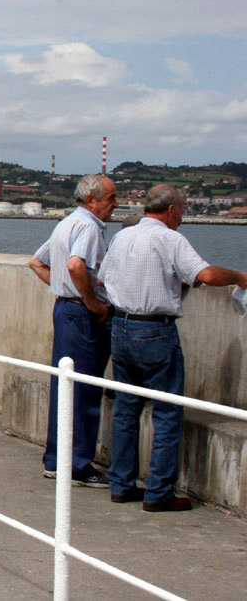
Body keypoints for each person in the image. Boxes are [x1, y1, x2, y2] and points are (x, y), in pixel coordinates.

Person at [98, 184, 247, 512]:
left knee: (126, 409)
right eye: (181, 211)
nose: (181, 217)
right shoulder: (170, 238)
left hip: (121, 327)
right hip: (155, 331)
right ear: (171, 210)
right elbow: (205, 274)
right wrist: (240, 276)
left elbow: (101, 279)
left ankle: (121, 484)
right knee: (166, 412)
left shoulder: (123, 236)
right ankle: (158, 493)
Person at [27, 174, 118, 489]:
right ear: (91, 200)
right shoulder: (90, 227)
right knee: (84, 389)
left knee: (63, 385)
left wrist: (64, 291)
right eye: (111, 198)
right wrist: (91, 301)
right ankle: (78, 465)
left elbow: (37, 263)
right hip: (81, 314)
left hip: (65, 310)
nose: (115, 204)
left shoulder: (65, 224)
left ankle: (56, 460)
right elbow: (77, 266)